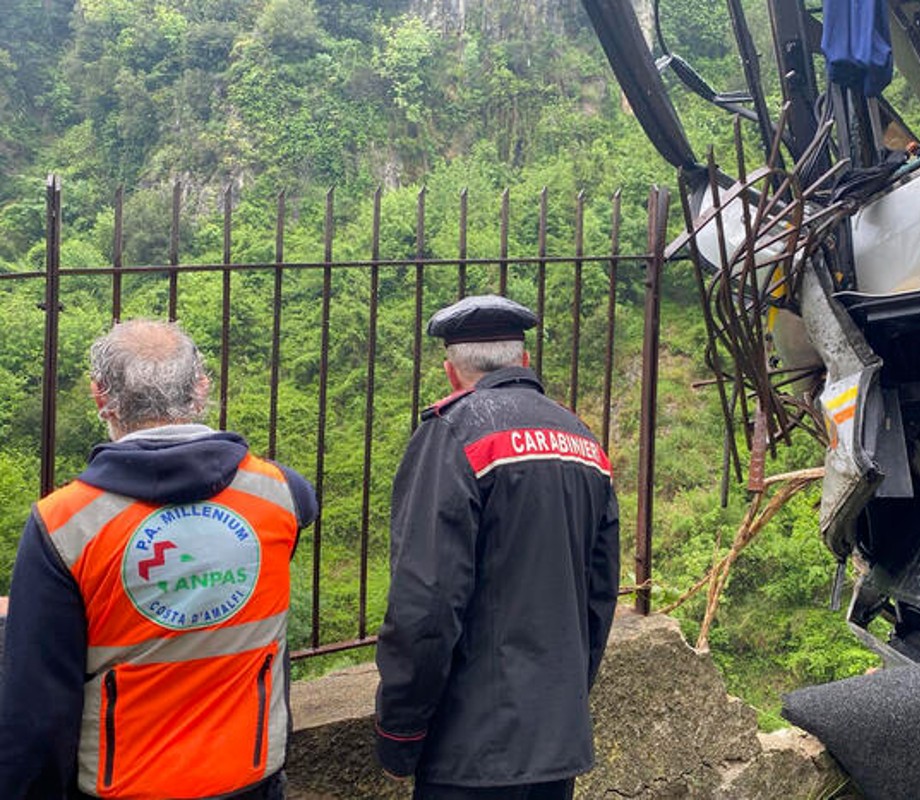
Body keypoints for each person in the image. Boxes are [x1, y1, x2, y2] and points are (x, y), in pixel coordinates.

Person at [0, 319, 317, 799]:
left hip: (125, 785)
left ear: (101, 396)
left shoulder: (63, 525)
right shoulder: (283, 495)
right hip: (251, 775)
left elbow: (36, 708)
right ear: (201, 388)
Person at [375, 295, 621, 800]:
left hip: (470, 749)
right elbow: (600, 595)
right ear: (523, 360)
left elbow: (426, 604)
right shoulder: (582, 441)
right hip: (556, 741)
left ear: (451, 372)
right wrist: (568, 699)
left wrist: (400, 733)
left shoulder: (453, 433)